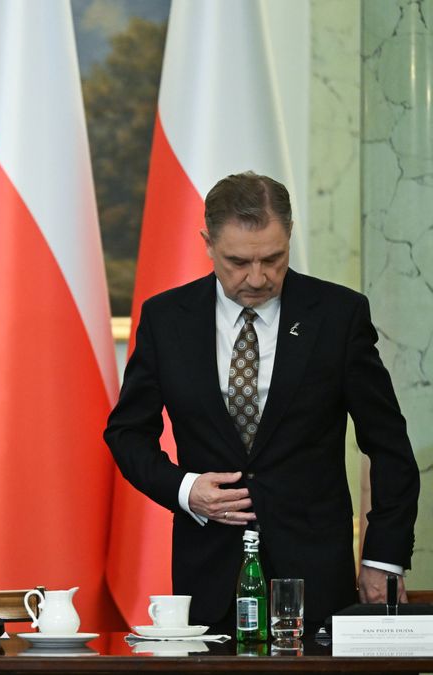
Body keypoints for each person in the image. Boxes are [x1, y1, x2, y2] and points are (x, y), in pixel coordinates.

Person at [106, 171, 419, 631]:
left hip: (315, 575)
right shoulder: (166, 319)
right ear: (207, 243)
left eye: (273, 258)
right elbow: (127, 433)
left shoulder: (338, 316)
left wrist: (383, 557)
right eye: (237, 261)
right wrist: (184, 489)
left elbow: (389, 443)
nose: (258, 278)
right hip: (210, 574)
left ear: (289, 235)